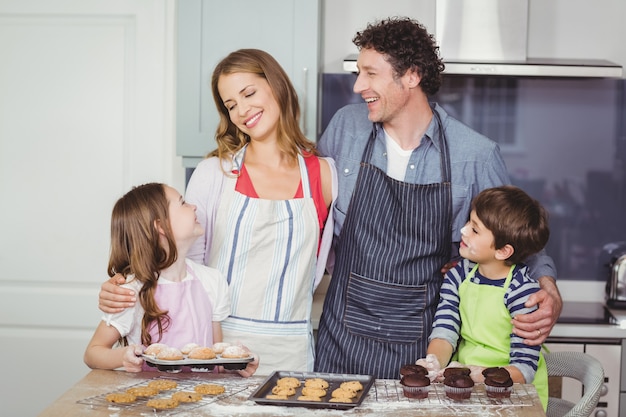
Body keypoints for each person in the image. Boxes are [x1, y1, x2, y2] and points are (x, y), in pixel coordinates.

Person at [314, 17, 562, 379]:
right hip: (343, 335)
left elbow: (517, 239)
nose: (357, 86)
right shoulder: (345, 128)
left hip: (425, 347)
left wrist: (548, 288)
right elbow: (308, 210)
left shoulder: (475, 154)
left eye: (370, 73)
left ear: (411, 76)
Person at [96, 49, 337, 375]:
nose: (242, 111)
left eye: (249, 93)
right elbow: (179, 265)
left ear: (277, 85)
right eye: (231, 105)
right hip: (215, 348)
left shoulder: (324, 175)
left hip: (289, 351)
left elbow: (334, 264)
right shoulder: (215, 173)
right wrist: (125, 286)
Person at [84, 183, 258, 377]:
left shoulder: (212, 280)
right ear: (160, 226)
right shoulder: (132, 290)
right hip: (149, 402)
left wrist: (238, 364)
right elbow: (93, 353)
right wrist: (122, 356)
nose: (193, 206)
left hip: (202, 401)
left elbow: (215, 358)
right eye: (183, 203)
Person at [416, 185, 550, 410]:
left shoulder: (523, 293)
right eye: (469, 222)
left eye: (475, 230)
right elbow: (445, 329)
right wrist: (434, 361)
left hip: (516, 394)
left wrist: (477, 374)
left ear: (502, 251)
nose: (463, 231)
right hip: (468, 387)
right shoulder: (459, 274)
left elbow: (523, 370)